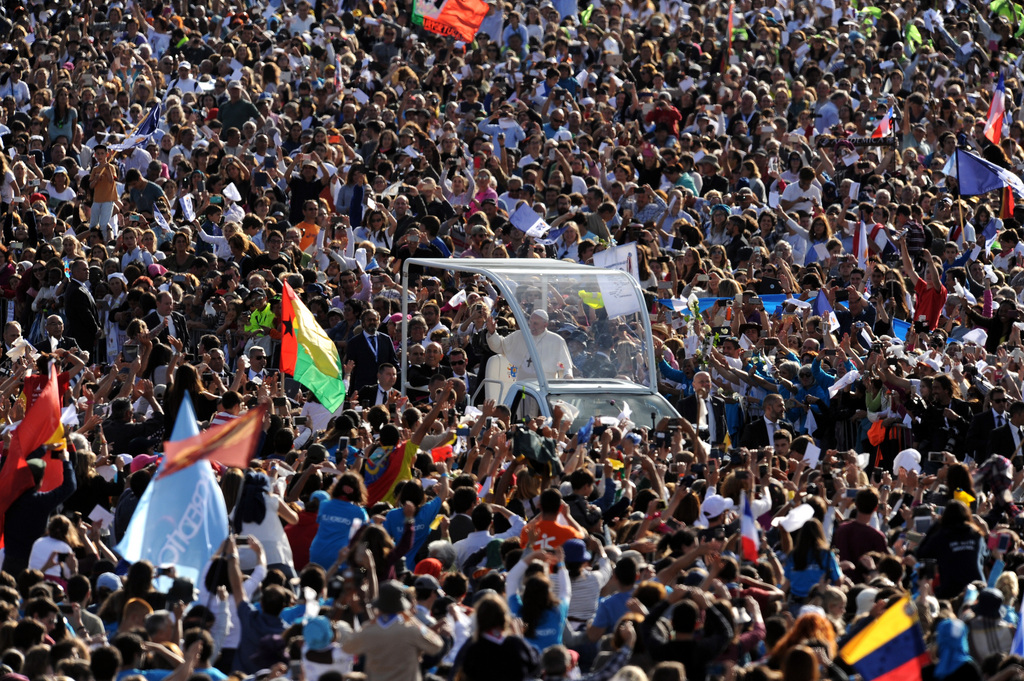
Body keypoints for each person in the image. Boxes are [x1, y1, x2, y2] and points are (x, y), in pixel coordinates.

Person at [486, 310, 574, 380]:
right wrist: (492, 332)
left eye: (535, 323)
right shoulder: (520, 335)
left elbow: (564, 364)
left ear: (545, 325)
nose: (532, 326)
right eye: (530, 323)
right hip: (523, 386)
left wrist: (567, 375)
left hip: (545, 387)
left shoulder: (556, 340)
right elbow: (501, 345)